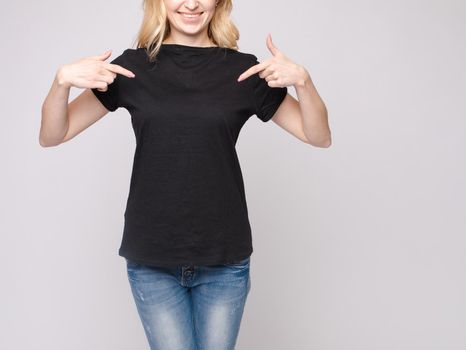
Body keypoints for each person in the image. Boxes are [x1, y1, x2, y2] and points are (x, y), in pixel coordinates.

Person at [39, 0, 331, 349]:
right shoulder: (133, 68)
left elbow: (318, 136)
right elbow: (53, 134)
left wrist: (305, 83)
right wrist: (60, 83)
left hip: (225, 260)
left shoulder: (243, 71)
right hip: (152, 258)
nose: (191, 4)